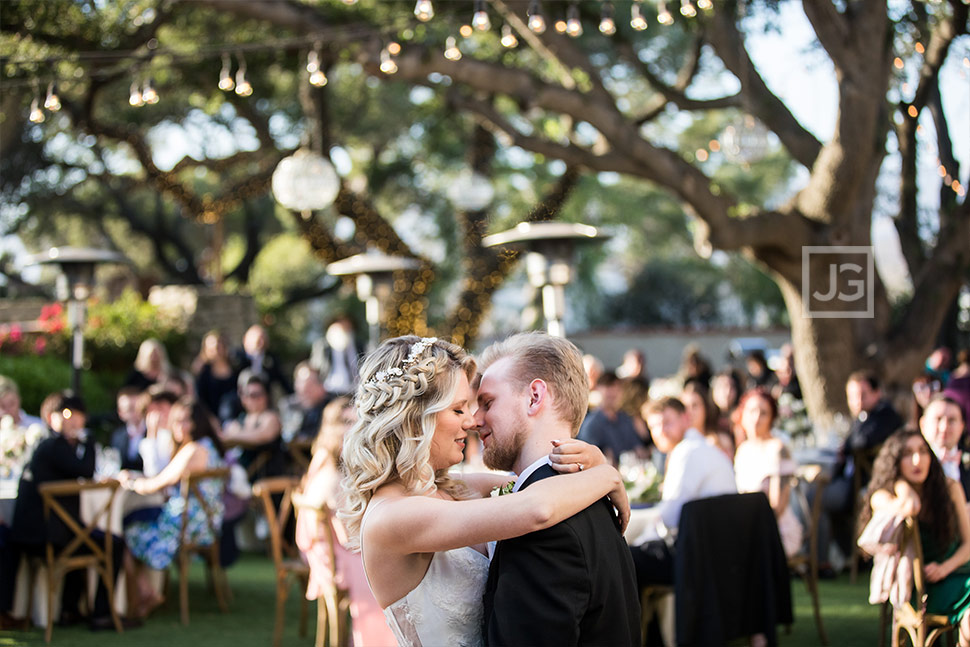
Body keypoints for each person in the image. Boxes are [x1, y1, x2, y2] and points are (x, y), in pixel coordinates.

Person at [340, 335, 634, 647]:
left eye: (479, 405)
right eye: (458, 409)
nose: (471, 421)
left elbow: (533, 484)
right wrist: (608, 476)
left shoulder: (456, 490)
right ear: (415, 418)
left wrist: (592, 460)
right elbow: (536, 508)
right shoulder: (391, 518)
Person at [475, 332, 641, 646]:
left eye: (487, 402)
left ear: (534, 397)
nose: (475, 419)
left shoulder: (543, 528)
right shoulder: (595, 495)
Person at [4, 392, 132, 630]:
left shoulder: (48, 446)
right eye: (66, 415)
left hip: (38, 533)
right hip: (45, 536)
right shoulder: (54, 446)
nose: (73, 421)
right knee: (110, 543)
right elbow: (86, 469)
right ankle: (101, 614)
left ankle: (69, 610)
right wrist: (90, 441)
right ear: (51, 418)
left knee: (83, 535)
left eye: (78, 415)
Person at [294, 396, 396, 647]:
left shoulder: (324, 458)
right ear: (333, 428)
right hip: (330, 553)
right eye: (347, 422)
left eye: (357, 421)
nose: (356, 428)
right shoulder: (331, 472)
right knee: (384, 566)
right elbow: (347, 537)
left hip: (324, 546)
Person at [860, 429, 970, 647]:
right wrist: (900, 483)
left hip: (956, 569)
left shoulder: (949, 487)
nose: (917, 460)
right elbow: (911, 506)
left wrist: (945, 568)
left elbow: (969, 544)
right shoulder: (882, 496)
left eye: (922, 451)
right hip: (920, 587)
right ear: (894, 461)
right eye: (907, 454)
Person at [119, 397, 226, 619]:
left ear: (195, 423)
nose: (176, 426)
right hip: (206, 525)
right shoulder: (210, 448)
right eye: (176, 421)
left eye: (182, 421)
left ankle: (145, 595)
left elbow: (156, 483)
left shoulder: (193, 450)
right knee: (139, 522)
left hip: (185, 526)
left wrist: (130, 481)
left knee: (121, 537)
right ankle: (149, 592)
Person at [629, 396, 737, 589]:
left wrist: (639, 537)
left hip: (700, 556)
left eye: (667, 422)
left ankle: (641, 620)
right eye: (654, 427)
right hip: (722, 549)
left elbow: (670, 516)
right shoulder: (702, 447)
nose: (661, 431)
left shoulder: (686, 452)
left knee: (624, 560)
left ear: (685, 419)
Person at [822, 370, 905, 563]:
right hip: (853, 482)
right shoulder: (862, 418)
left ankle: (826, 560)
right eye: (853, 397)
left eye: (863, 395)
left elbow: (862, 442)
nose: (857, 401)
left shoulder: (885, 415)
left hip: (870, 484)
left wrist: (847, 447)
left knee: (818, 498)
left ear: (877, 393)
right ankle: (848, 555)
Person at [732, 388, 803, 558]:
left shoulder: (778, 449)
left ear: (772, 418)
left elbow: (778, 505)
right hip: (747, 528)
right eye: (752, 411)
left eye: (763, 413)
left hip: (777, 530)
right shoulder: (743, 450)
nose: (756, 418)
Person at [221, 370, 285, 483]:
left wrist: (234, 436)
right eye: (248, 395)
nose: (253, 399)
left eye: (257, 394)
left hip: (268, 480)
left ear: (266, 396)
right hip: (241, 480)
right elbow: (224, 434)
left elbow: (263, 434)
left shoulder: (271, 417)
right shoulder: (241, 419)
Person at [578, 370, 648, 466]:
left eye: (617, 388)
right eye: (608, 387)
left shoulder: (626, 419)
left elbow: (639, 449)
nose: (613, 392)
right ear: (598, 389)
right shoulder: (591, 424)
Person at [920, 394, 969, 501]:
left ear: (961, 427)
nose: (944, 427)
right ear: (923, 424)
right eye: (938, 419)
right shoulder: (911, 460)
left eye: (952, 420)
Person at [191, 330, 237, 422]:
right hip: (211, 420)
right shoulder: (203, 373)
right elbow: (201, 401)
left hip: (234, 418)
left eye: (218, 346)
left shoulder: (236, 367)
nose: (216, 351)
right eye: (212, 348)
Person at [280, 361, 332, 443]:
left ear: (321, 387)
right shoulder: (289, 405)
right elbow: (288, 435)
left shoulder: (331, 406)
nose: (303, 388)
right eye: (300, 382)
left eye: (310, 384)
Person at [682, 380, 733, 459]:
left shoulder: (722, 441)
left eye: (694, 406)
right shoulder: (678, 445)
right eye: (685, 407)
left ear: (705, 408)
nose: (689, 412)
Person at [110, 386, 147, 471]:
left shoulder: (153, 433)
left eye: (138, 408)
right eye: (130, 409)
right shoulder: (117, 436)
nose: (135, 413)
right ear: (120, 412)